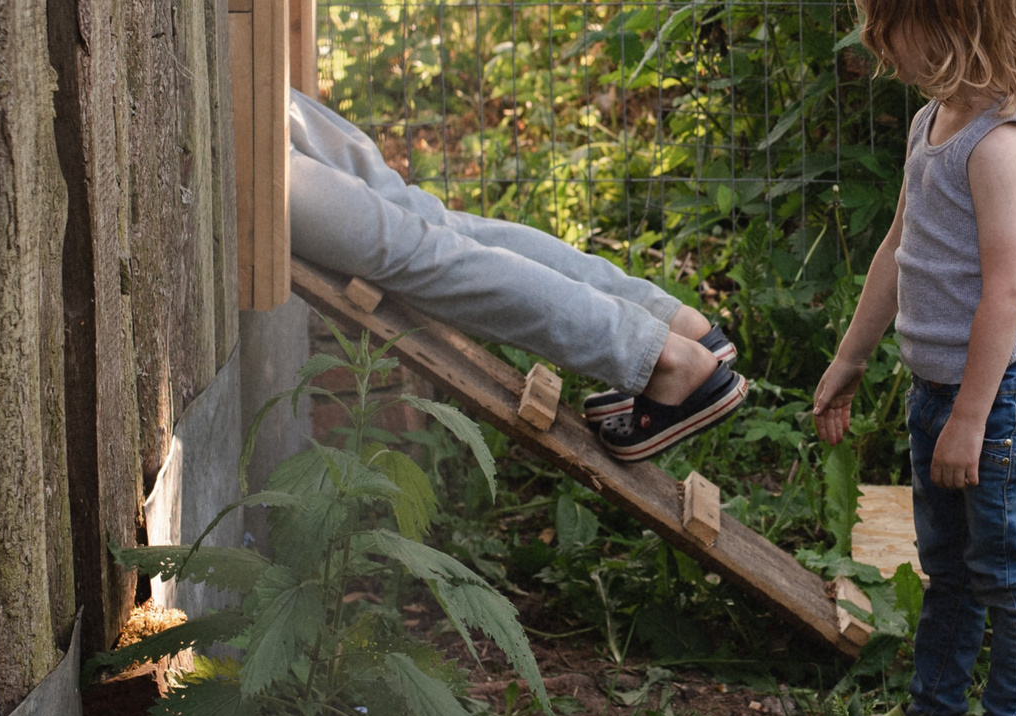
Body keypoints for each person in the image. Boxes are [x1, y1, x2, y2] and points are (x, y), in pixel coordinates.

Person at [810, 0, 1016, 716]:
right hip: (941, 392)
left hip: (997, 396)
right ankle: (937, 709)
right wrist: (851, 357)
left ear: (954, 25)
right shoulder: (933, 124)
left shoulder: (1000, 147)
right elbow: (898, 247)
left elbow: (1007, 290)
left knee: (1003, 566)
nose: (876, 39)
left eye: (892, 21)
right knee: (946, 561)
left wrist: (969, 418)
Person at [287, 91, 746, 460]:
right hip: (264, 91)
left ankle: (666, 360)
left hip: (247, 134)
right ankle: (677, 329)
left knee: (419, 249)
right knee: (427, 221)